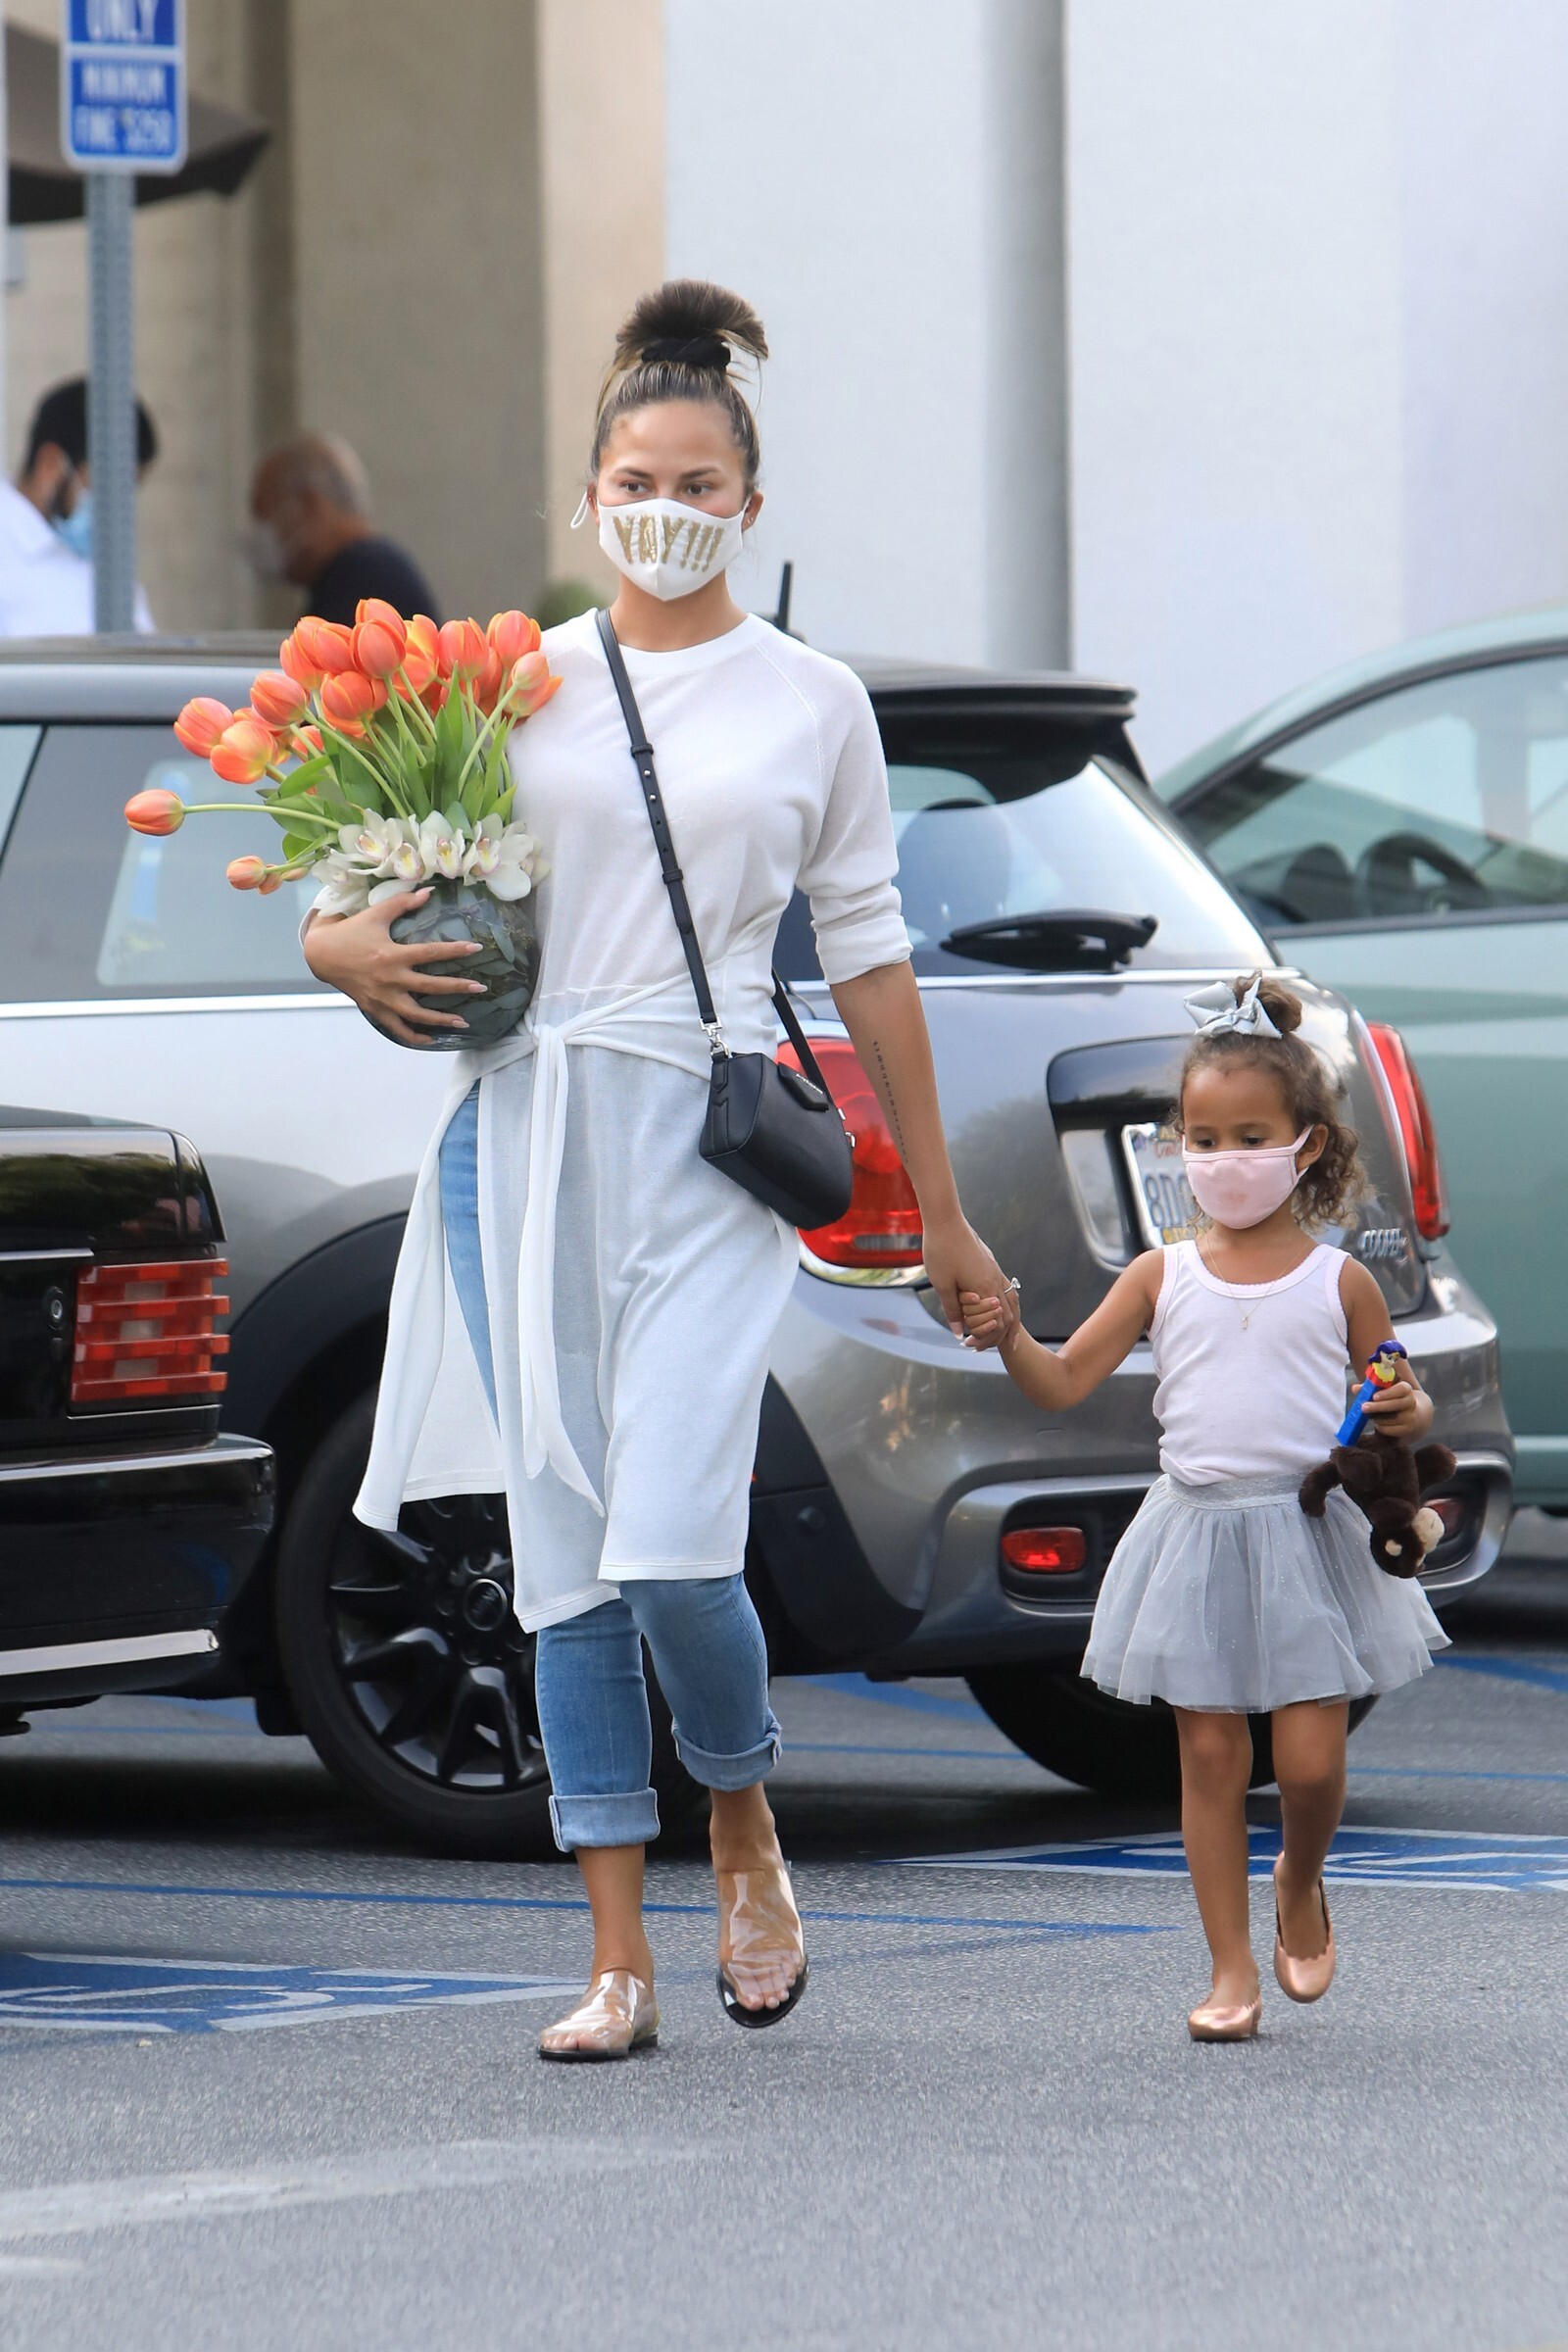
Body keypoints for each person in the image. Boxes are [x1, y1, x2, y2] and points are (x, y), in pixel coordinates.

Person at [301, 278, 1010, 2060]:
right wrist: (338, 951)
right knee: (563, 1566)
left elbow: (872, 963)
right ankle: (614, 1959)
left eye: (699, 482)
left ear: (750, 504)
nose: (666, 506)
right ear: (588, 495)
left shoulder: (813, 701)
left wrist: (942, 1213)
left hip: (702, 1151)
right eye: (636, 480)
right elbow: (358, 888)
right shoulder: (509, 684)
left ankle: (743, 1808)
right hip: (518, 1149)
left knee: (678, 1553)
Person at [962, 972, 1448, 2044]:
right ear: (1177, 1143)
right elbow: (1060, 1381)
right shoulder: (1159, 1274)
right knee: (1212, 1761)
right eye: (1204, 1138)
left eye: (1250, 1137)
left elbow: (1399, 1400)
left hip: (1307, 1537)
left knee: (1311, 1766)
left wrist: (1403, 1406)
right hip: (1194, 1533)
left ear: (1306, 1146)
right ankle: (1230, 1971)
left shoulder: (1339, 1281)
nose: (1224, 1158)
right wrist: (1008, 1335)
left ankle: (1299, 1878)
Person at [0, 378, 158, 637]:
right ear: (51, 465)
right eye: (103, 490)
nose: (114, 511)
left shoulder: (109, 566)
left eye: (127, 493)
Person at [247, 432, 439, 625]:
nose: (260, 530)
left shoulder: (361, 577)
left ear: (309, 504)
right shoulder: (367, 568)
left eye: (264, 513)